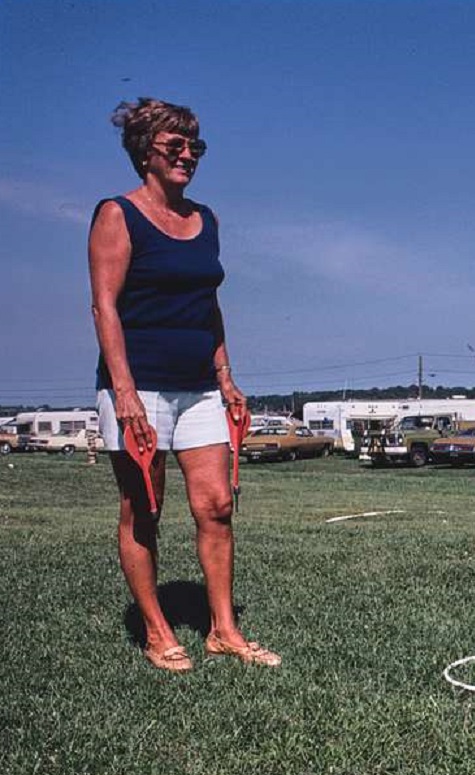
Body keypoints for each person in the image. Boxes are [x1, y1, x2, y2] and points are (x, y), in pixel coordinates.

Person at [89, 98, 279, 671]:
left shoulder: (206, 220)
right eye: (175, 145)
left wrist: (226, 376)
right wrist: (123, 392)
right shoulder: (117, 215)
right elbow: (104, 306)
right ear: (144, 150)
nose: (188, 156)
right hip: (138, 387)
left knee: (217, 506)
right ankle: (156, 630)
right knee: (143, 508)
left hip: (200, 387)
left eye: (195, 146)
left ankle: (223, 630)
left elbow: (208, 304)